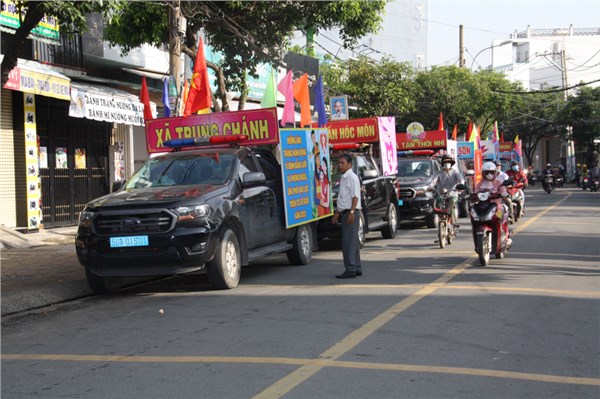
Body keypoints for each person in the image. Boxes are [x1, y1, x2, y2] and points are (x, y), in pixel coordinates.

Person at [331, 153, 362, 278]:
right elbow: (343, 197)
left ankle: (350, 269)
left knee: (348, 242)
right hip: (345, 211)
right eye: (338, 163)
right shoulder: (344, 177)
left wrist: (352, 212)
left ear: (349, 164)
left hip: (351, 212)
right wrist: (337, 213)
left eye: (342, 163)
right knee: (352, 241)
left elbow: (355, 196)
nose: (339, 165)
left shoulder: (352, 177)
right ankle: (356, 267)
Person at [475, 161, 510, 243]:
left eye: (491, 172)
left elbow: (503, 191)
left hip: (497, 205)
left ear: (495, 172)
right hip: (483, 205)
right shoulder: (480, 183)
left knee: (499, 218)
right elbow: (475, 192)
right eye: (487, 172)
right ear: (483, 173)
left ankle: (504, 235)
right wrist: (472, 196)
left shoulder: (498, 182)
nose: (489, 174)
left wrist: (504, 194)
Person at [430, 155, 464, 224]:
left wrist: (461, 185)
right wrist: (430, 187)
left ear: (451, 163)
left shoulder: (455, 172)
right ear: (442, 164)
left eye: (448, 162)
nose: (447, 164)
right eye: (445, 162)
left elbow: (461, 179)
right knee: (436, 204)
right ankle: (440, 218)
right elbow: (433, 181)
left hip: (453, 194)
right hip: (441, 194)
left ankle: (451, 221)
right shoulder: (439, 173)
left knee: (451, 202)